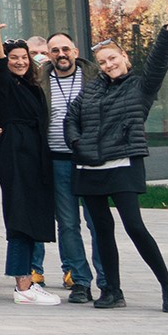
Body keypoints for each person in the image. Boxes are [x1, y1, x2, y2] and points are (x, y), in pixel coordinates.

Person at [65, 0, 168, 313]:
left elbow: (159, 58)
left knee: (134, 226)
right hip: (90, 168)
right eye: (103, 62)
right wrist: (77, 145)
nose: (108, 65)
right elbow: (71, 119)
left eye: (113, 59)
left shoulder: (141, 86)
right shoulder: (91, 88)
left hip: (123, 165)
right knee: (102, 232)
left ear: (125, 58)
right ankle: (112, 291)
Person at [0, 9, 59, 305]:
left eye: (23, 57)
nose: (19, 61)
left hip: (35, 155)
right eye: (14, 57)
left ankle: (27, 279)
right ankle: (23, 286)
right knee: (20, 217)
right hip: (15, 153)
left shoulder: (31, 85)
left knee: (30, 216)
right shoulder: (2, 84)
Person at [41, 31, 102, 302]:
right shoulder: (40, 80)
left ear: (75, 51)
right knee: (67, 224)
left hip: (90, 161)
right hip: (57, 161)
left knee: (98, 223)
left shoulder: (94, 77)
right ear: (48, 54)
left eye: (66, 49)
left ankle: (108, 279)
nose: (61, 54)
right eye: (55, 50)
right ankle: (80, 281)